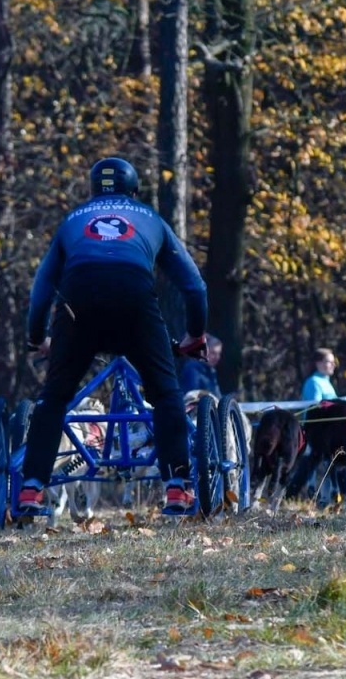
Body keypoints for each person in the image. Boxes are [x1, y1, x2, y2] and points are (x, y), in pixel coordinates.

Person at [19, 157, 208, 517]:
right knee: (167, 394)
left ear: (92, 190)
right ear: (134, 191)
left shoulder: (72, 220)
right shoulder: (150, 218)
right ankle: (177, 488)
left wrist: (37, 337)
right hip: (134, 301)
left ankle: (31, 488)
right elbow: (195, 287)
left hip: (78, 304)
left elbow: (41, 291)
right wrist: (195, 336)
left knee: (55, 397)